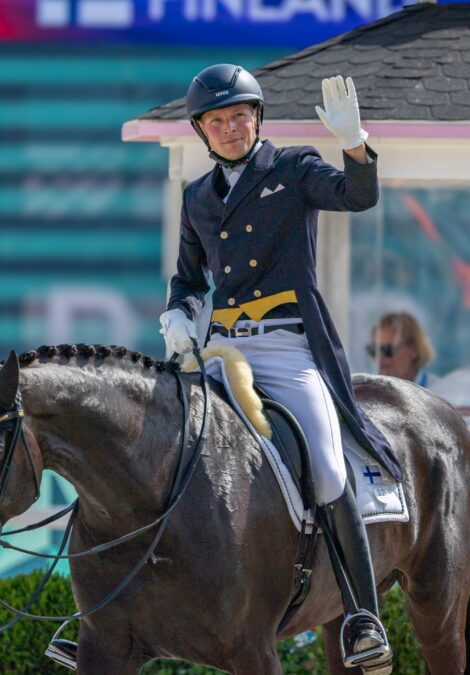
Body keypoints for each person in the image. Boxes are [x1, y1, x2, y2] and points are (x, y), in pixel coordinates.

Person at [157, 64, 397, 670]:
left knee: (326, 465)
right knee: (154, 443)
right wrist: (179, 313)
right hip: (222, 351)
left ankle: (363, 616)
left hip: (287, 348)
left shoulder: (292, 169)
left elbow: (357, 195)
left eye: (241, 114)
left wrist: (353, 144)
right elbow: (189, 279)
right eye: (219, 120)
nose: (232, 127)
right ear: (202, 131)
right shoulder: (196, 198)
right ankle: (99, 615)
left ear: (257, 117)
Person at [370, 311, 436, 387]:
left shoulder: (441, 392)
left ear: (414, 349)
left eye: (388, 349)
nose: (379, 358)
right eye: (374, 351)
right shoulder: (366, 394)